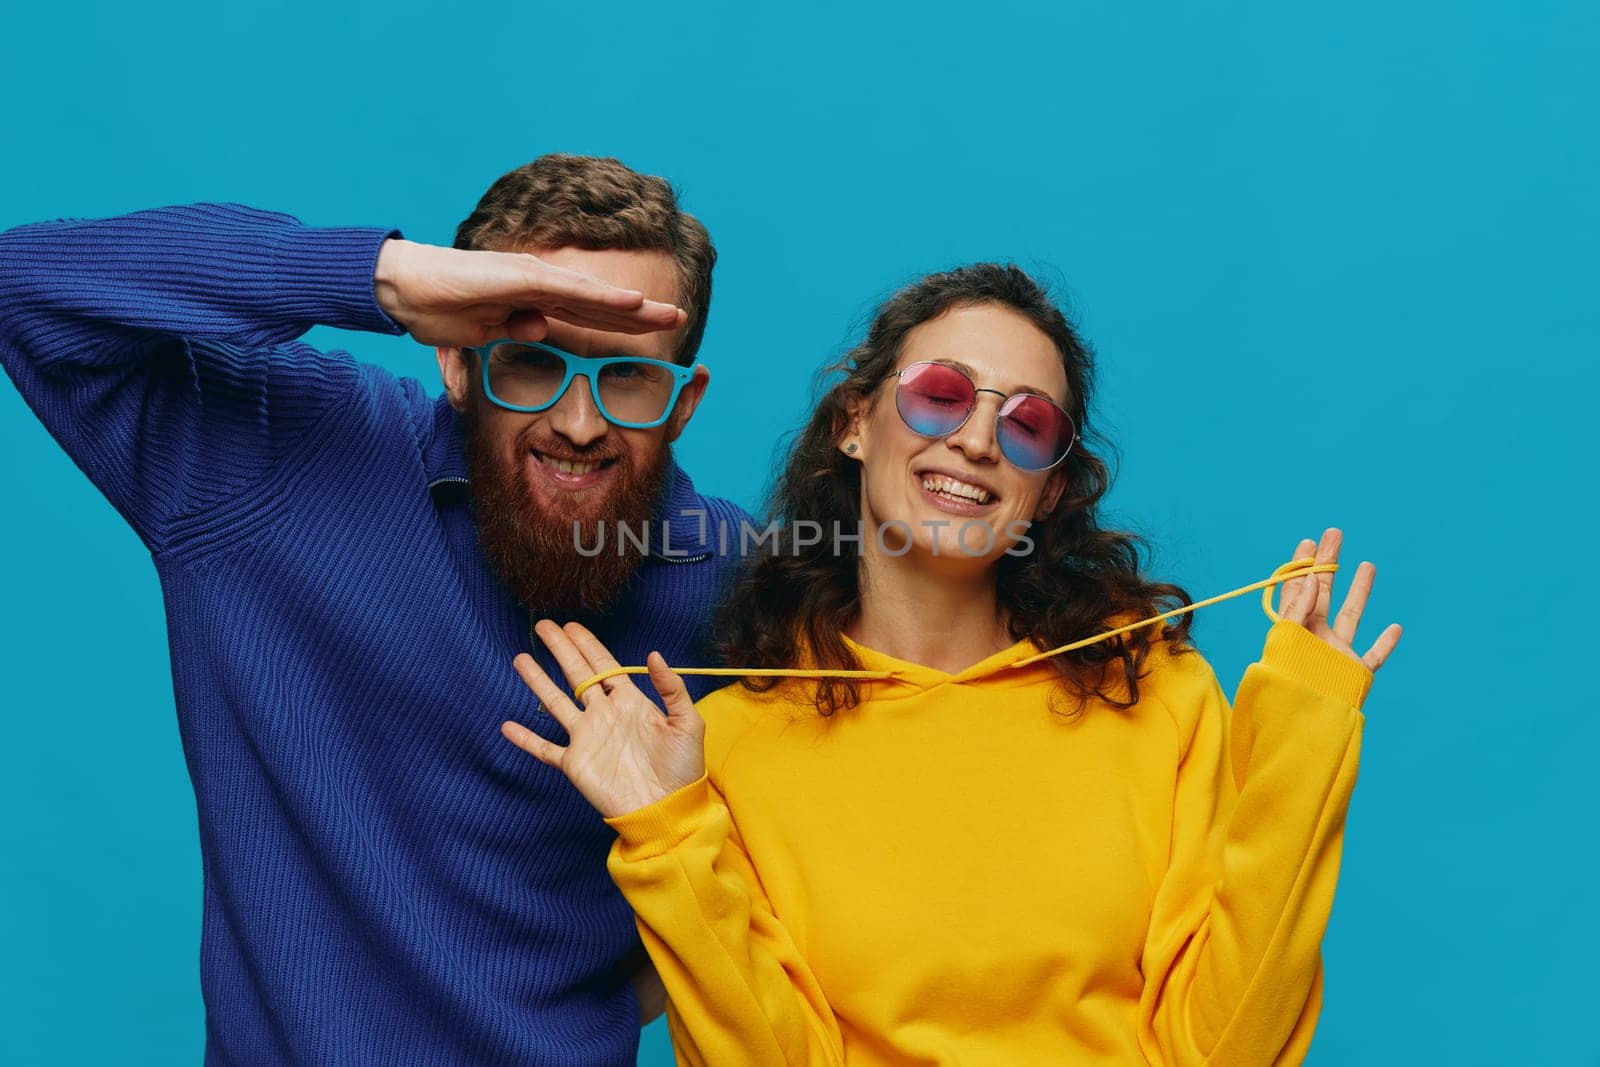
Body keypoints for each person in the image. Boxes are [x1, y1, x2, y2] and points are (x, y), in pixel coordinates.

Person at [503, 263, 1404, 1065]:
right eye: (941, 393)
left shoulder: (1156, 691)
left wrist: (1301, 732)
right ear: (856, 422)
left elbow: (1229, 1048)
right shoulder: (729, 742)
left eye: (1028, 422)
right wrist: (667, 833)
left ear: (1051, 487)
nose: (977, 440)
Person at [0, 154, 750, 1065]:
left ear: (684, 402)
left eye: (627, 377)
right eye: (527, 360)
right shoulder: (282, 465)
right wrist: (380, 273)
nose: (579, 423)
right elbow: (22, 285)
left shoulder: (735, 579)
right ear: (457, 360)